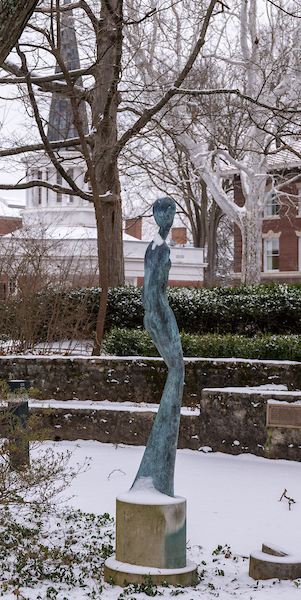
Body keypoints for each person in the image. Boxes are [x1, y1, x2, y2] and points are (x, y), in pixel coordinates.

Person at [132, 195, 184, 496]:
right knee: (178, 371)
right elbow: (150, 291)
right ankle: (157, 474)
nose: (171, 219)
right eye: (168, 213)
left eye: (174, 213)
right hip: (160, 312)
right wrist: (153, 317)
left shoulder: (156, 245)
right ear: (158, 217)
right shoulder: (158, 248)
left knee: (177, 372)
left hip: (158, 311)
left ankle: (159, 473)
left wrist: (152, 313)